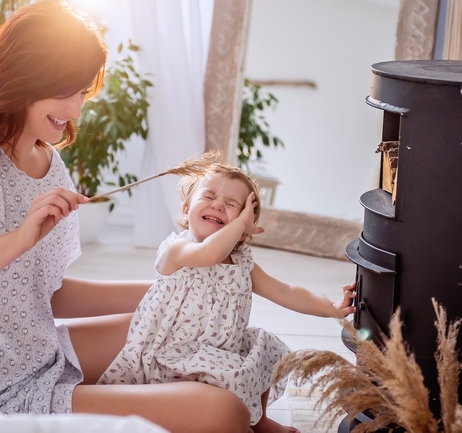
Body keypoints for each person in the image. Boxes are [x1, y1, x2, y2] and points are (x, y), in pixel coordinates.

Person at [0, 0, 253, 433]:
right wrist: (19, 239)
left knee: (187, 328)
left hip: (44, 354)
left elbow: (47, 292)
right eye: (66, 91)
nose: (76, 109)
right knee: (225, 412)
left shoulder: (49, 164)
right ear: (25, 76)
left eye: (81, 92)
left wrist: (172, 291)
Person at [98, 161, 357, 433]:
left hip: (223, 349)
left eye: (232, 204)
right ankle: (232, 420)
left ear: (244, 230)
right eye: (209, 196)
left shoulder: (242, 263)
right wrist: (239, 223)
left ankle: (259, 420)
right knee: (232, 374)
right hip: (175, 353)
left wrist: (332, 308)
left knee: (266, 346)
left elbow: (285, 292)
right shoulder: (179, 248)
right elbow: (210, 253)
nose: (218, 205)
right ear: (186, 210)